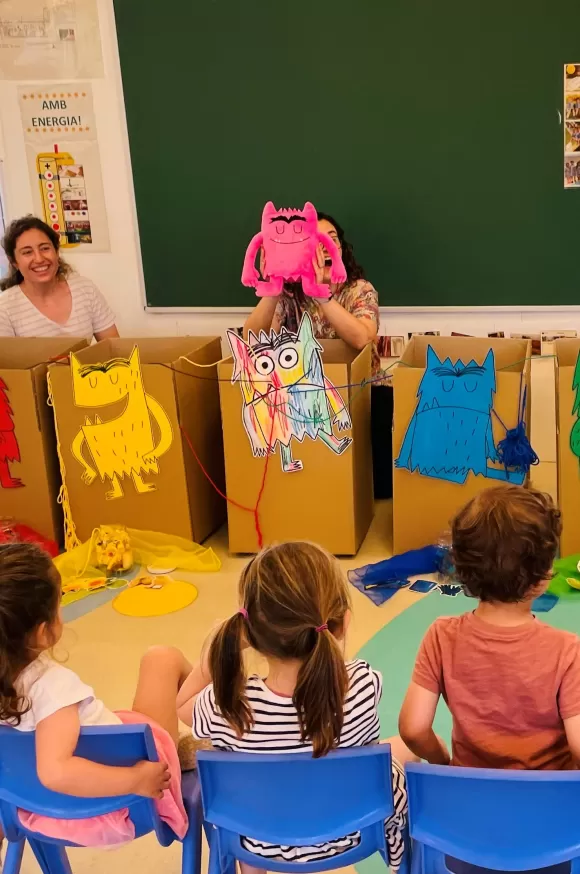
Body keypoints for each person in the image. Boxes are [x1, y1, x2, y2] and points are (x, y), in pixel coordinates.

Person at [178, 541, 414, 872]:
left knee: (246, 789)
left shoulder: (228, 705)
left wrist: (216, 652)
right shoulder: (363, 683)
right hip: (352, 832)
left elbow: (182, 705)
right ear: (342, 623)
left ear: (249, 634)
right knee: (405, 748)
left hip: (259, 840)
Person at [0, 541, 192, 846]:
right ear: (42, 631)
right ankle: (221, 727)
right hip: (118, 803)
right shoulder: (53, 687)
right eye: (59, 601)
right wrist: (137, 779)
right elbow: (55, 772)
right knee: (162, 658)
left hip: (36, 805)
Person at [398, 486, 580, 770]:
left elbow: (413, 729)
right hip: (545, 803)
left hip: (471, 796)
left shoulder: (441, 636)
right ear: (544, 577)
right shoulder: (567, 650)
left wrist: (443, 763)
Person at [243, 211, 393, 498]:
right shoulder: (290, 295)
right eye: (318, 239)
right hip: (304, 394)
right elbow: (253, 339)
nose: (326, 245)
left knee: (377, 485)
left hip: (363, 392)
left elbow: (362, 337)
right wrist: (272, 290)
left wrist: (321, 295)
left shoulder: (359, 289)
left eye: (332, 238)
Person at [0, 216, 119, 340]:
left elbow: (114, 347)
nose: (39, 259)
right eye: (27, 252)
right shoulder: (4, 308)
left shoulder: (85, 289)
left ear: (56, 252)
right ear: (14, 262)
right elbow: (7, 359)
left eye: (45, 248)